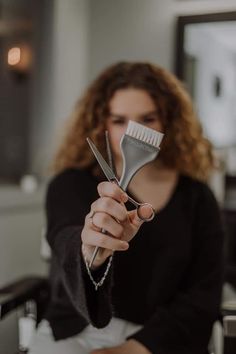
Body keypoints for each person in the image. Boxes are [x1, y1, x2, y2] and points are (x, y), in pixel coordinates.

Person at [29, 62, 223, 354]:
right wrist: (89, 250)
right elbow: (65, 237)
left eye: (148, 118)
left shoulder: (197, 198)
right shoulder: (70, 184)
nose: (133, 130)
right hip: (74, 332)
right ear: (101, 123)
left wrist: (134, 349)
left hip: (160, 341)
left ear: (168, 121)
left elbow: (202, 294)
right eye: (119, 120)